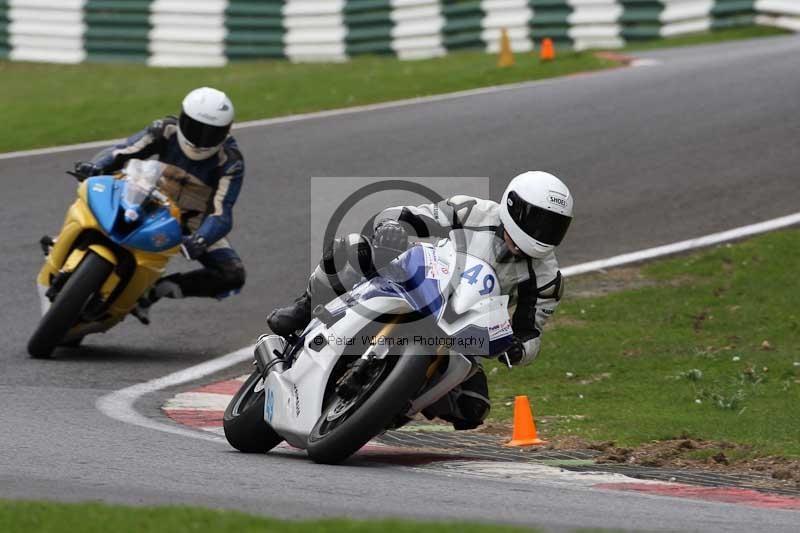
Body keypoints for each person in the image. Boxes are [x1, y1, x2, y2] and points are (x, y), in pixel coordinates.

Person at [267, 171, 574, 430]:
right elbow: (415, 215)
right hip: (418, 282)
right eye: (537, 221)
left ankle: (393, 405)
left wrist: (518, 348)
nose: (542, 232)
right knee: (353, 248)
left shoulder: (547, 276)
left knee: (473, 408)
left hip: (464, 330)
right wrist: (395, 226)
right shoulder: (472, 211)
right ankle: (303, 308)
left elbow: (531, 329)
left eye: (553, 226)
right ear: (513, 206)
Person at [74, 87, 245, 324]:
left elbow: (221, 212)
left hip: (191, 223)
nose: (201, 139)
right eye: (196, 128)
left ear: (226, 131)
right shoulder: (164, 130)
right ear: (183, 118)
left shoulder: (231, 162)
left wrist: (201, 239)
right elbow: (123, 150)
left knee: (232, 274)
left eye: (211, 133)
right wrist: (95, 166)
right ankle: (65, 241)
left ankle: (157, 290)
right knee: (93, 191)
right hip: (145, 194)